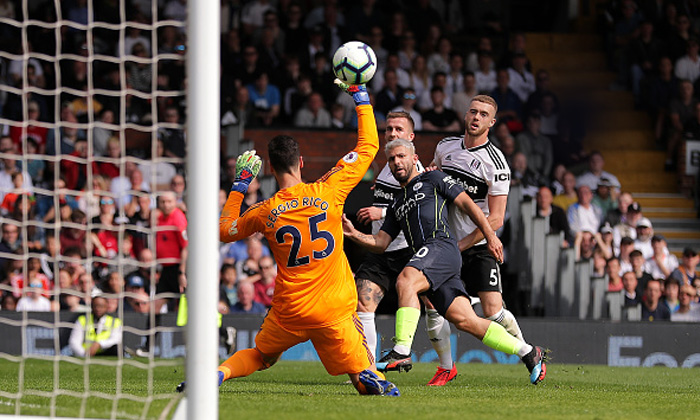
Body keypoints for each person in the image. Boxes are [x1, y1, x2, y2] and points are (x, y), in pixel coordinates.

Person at [178, 80, 400, 396]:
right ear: (301, 162)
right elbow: (368, 147)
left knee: (261, 356)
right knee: (360, 365)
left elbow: (225, 231)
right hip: (333, 309)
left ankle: (216, 374)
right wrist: (360, 97)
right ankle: (367, 375)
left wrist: (240, 186)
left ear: (270, 166)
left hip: (290, 310)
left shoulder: (265, 211)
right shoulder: (329, 189)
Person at [343, 137, 547, 386]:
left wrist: (491, 235)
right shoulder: (396, 203)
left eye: (401, 156)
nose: (397, 162)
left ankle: (402, 351)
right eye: (392, 159)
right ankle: (528, 353)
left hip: (441, 246)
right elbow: (381, 242)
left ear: (414, 158)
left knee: (406, 279)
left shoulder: (433, 179)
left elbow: (468, 205)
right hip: (435, 259)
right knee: (466, 321)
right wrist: (354, 235)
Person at [427, 95, 532, 378]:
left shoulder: (496, 164)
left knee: (493, 311)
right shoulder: (445, 147)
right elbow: (433, 180)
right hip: (444, 242)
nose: (476, 117)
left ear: (492, 122)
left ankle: (527, 353)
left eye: (483, 114)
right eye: (473, 111)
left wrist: (460, 245)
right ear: (466, 114)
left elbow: (496, 217)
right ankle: (446, 367)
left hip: (477, 244)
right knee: (430, 301)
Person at [352, 111, 451, 385]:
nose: (392, 134)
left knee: (435, 307)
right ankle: (369, 370)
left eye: (398, 129)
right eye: (388, 129)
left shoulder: (420, 172)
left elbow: (417, 207)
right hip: (381, 250)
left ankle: (446, 366)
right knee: (363, 302)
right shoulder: (387, 164)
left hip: (411, 250)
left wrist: (380, 212)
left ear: (411, 137)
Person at [155, 191, 188, 311]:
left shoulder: (178, 218)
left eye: (169, 202)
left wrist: (182, 272)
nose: (166, 205)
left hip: (178, 268)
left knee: (182, 306)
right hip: (165, 269)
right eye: (163, 202)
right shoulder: (160, 219)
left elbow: (186, 246)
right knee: (155, 305)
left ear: (175, 202)